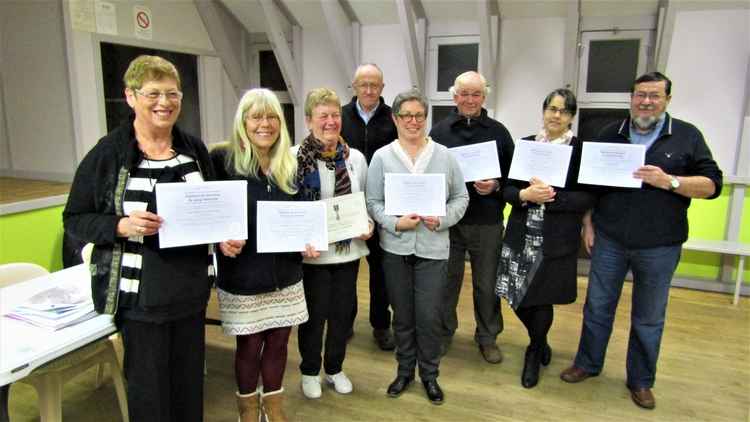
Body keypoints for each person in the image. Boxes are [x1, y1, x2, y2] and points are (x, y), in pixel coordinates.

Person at [62, 55, 215, 422]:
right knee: (149, 395)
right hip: (139, 299)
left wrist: (223, 238)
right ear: (131, 97)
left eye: (172, 94)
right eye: (153, 93)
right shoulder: (109, 154)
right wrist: (120, 225)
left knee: (189, 389)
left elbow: (212, 210)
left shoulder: (194, 149)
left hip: (190, 295)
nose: (164, 102)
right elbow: (74, 219)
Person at [560, 72, 723, 410]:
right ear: (631, 98)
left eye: (654, 95)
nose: (646, 101)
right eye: (639, 95)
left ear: (667, 100)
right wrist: (588, 224)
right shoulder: (610, 134)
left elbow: (712, 185)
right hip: (610, 239)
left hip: (660, 245)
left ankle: (641, 380)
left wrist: (671, 182)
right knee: (597, 307)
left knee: (649, 316)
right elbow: (592, 186)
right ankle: (588, 364)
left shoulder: (687, 136)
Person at [211, 88, 310, 422]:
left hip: (286, 275)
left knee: (280, 343)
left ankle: (274, 407)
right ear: (243, 122)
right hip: (243, 275)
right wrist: (218, 241)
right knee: (249, 347)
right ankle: (247, 409)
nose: (264, 124)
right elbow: (207, 215)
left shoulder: (290, 165)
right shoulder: (222, 163)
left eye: (271, 117)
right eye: (256, 116)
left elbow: (302, 213)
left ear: (280, 123)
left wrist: (307, 239)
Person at [366, 89, 469, 405]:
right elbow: (373, 201)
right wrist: (395, 223)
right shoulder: (382, 158)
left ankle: (430, 375)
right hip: (396, 250)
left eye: (419, 115)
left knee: (429, 317)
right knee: (403, 317)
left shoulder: (445, 156)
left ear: (426, 118)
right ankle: (404, 370)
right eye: (406, 115)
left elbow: (460, 198)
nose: (413, 121)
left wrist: (443, 219)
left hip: (433, 250)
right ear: (396, 119)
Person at [496, 88, 595, 388]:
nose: (556, 115)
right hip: (521, 234)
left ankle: (534, 350)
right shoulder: (525, 145)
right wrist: (525, 194)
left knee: (542, 298)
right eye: (551, 108)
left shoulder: (580, 150)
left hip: (556, 239)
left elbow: (589, 196)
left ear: (571, 117)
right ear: (543, 111)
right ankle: (539, 339)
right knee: (517, 297)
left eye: (563, 111)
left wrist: (552, 197)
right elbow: (507, 189)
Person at [429, 71, 514, 363]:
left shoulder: (499, 132)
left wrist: (496, 186)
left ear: (484, 97)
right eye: (463, 94)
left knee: (486, 284)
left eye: (475, 94)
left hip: (487, 221)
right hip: (450, 221)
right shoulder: (438, 133)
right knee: (446, 282)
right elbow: (428, 174)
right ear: (454, 97)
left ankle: (488, 337)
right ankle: (442, 333)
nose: (469, 99)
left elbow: (513, 178)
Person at [294, 88, 374, 400]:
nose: (330, 121)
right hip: (312, 256)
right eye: (323, 115)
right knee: (313, 317)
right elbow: (289, 208)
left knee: (343, 316)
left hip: (348, 252)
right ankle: (310, 371)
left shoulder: (356, 158)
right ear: (308, 120)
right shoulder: (293, 157)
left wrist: (366, 223)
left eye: (335, 115)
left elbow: (362, 201)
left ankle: (335, 368)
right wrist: (298, 239)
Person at [341, 63, 398, 351]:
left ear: (382, 88)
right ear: (354, 86)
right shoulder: (338, 117)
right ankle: (344, 322)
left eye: (374, 85)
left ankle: (380, 324)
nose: (368, 90)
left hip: (382, 205)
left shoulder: (393, 119)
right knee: (347, 268)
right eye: (363, 84)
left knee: (381, 271)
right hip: (347, 205)